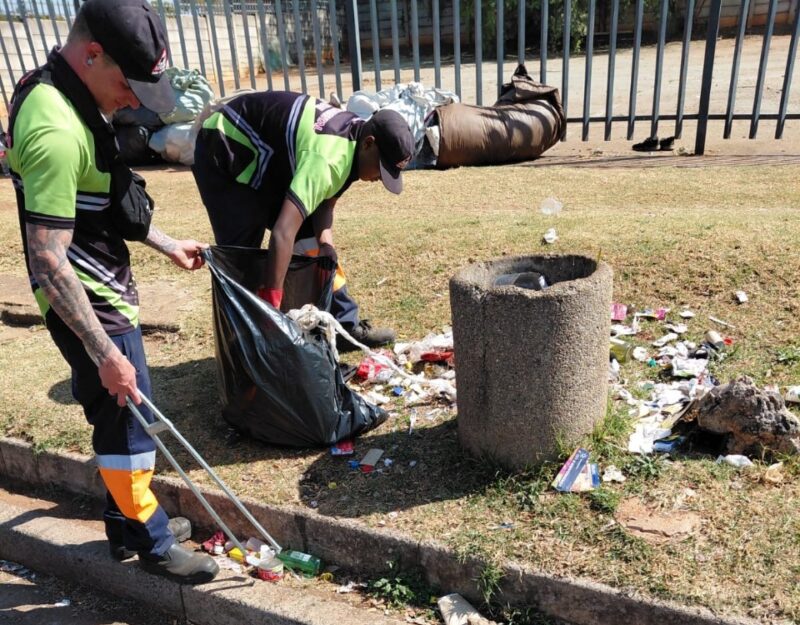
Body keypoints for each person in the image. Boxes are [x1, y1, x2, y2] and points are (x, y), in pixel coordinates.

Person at [5, 0, 218, 584]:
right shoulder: (54, 129)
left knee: (118, 414)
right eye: (128, 86)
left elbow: (97, 197)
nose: (133, 102)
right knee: (128, 416)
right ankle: (153, 542)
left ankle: (124, 523)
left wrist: (165, 242)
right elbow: (49, 260)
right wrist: (105, 354)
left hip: (103, 282)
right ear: (93, 54)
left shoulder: (63, 89)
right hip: (87, 298)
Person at [191, 91, 415, 351]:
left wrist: (326, 242)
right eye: (382, 168)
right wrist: (272, 301)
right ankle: (246, 345)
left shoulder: (355, 138)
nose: (380, 179)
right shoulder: (328, 160)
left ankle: (344, 326)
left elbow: (325, 202)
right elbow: (283, 232)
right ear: (369, 144)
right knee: (242, 258)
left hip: (271, 156)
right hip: (224, 148)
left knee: (315, 245)